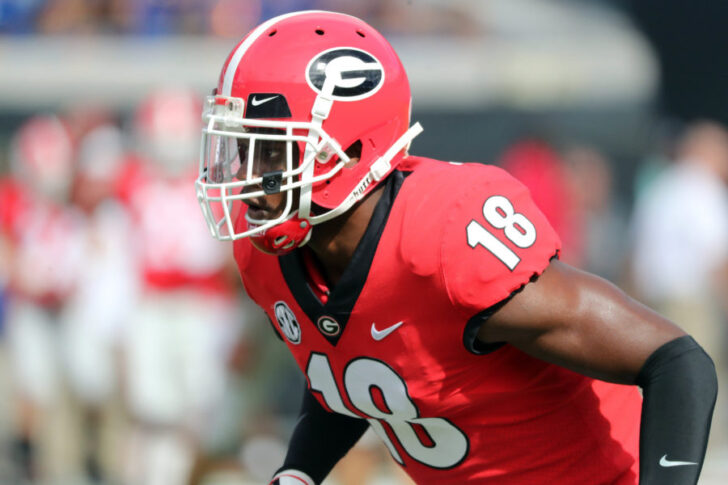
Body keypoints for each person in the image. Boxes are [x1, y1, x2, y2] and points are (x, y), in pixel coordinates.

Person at [194, 11, 716, 485]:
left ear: (348, 150)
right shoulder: (271, 258)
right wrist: (300, 472)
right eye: (243, 148)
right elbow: (349, 373)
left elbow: (676, 363)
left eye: (269, 149)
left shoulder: (442, 237)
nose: (246, 176)